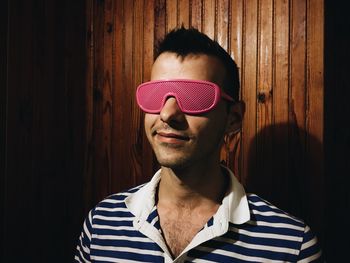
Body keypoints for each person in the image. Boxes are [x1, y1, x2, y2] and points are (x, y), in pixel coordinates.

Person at [75, 27, 323, 262]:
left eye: (194, 97)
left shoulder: (290, 246)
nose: (167, 114)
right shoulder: (101, 226)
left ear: (233, 118)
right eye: (155, 94)